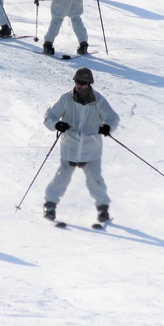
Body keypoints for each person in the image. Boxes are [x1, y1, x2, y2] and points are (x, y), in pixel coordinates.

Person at [41, 67, 119, 226]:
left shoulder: (98, 100)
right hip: (70, 146)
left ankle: (103, 209)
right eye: (78, 82)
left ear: (89, 83)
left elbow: (112, 117)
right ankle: (50, 206)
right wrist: (57, 124)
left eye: (84, 83)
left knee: (95, 180)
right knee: (61, 177)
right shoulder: (65, 99)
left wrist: (108, 127)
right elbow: (50, 116)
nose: (80, 86)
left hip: (92, 148)